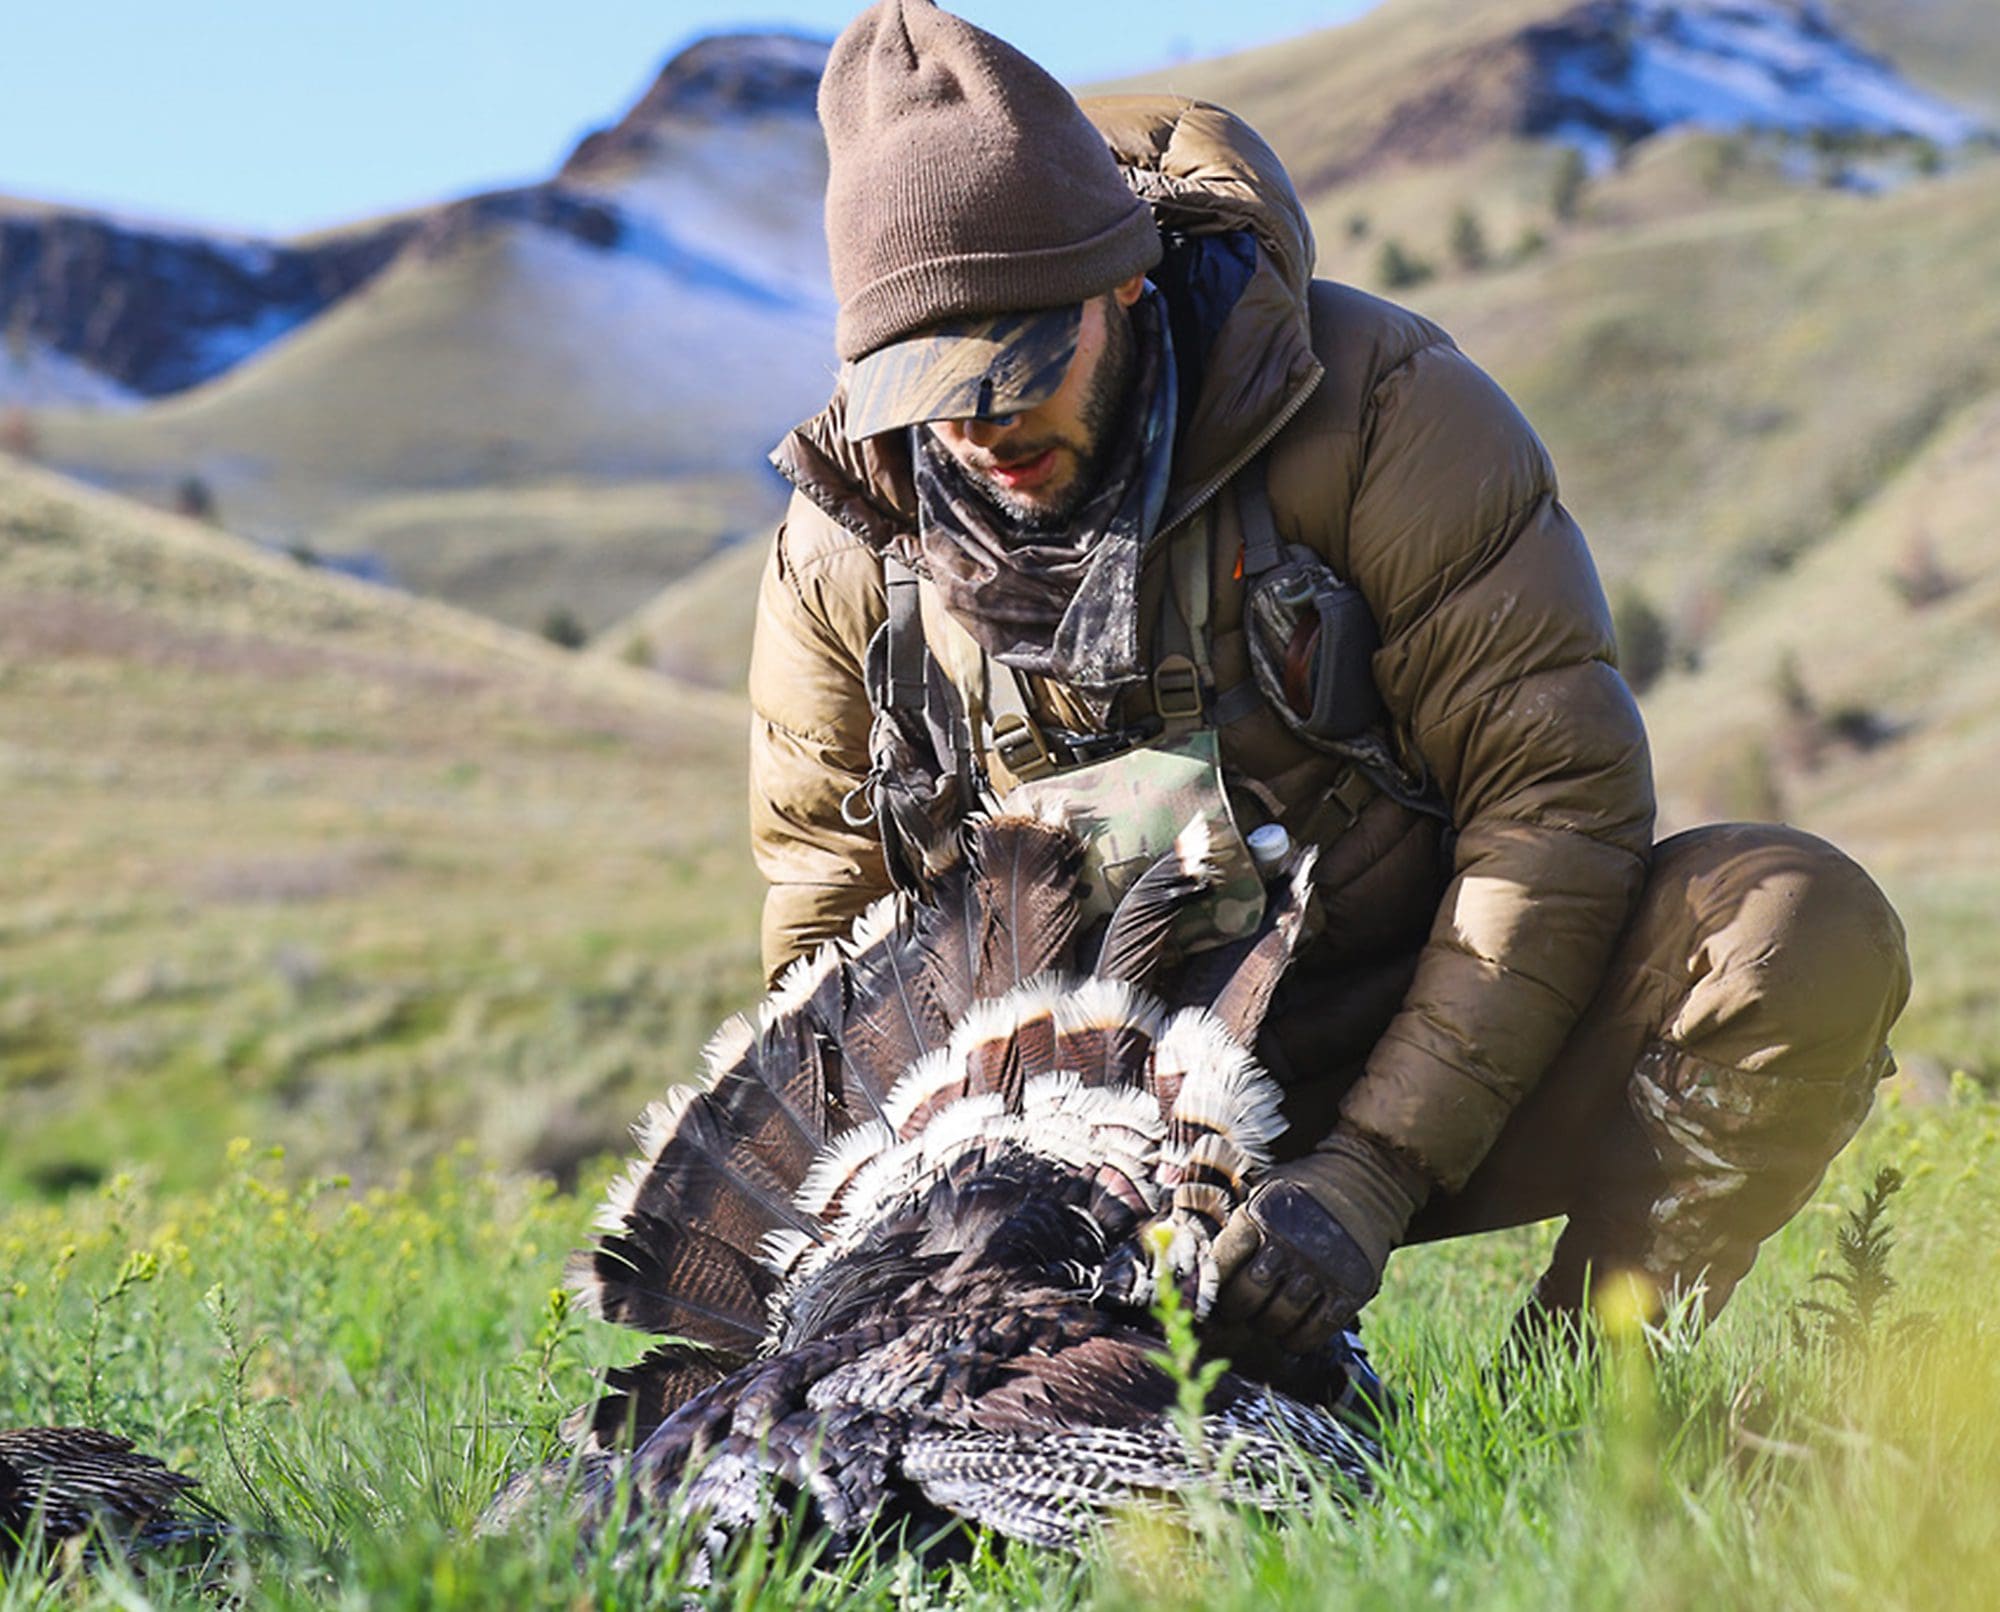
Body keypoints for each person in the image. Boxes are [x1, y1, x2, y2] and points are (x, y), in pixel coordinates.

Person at [748, 0, 1911, 1353]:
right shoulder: (843, 558)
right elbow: (830, 949)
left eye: (1020, 364)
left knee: (1790, 929)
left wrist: (1369, 1173)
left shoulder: (1385, 411)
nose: (981, 425)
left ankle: (1594, 1399)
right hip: (1085, 1145)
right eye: (928, 388)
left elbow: (1558, 808)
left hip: (1445, 1017)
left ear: (1124, 280)